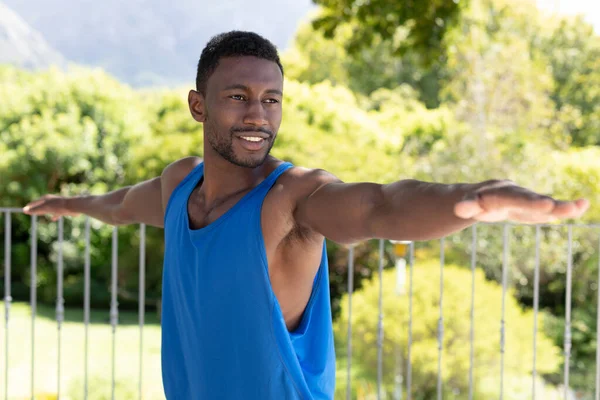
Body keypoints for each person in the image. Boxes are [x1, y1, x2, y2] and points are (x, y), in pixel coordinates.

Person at [23, 31, 589, 399]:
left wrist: (475, 199)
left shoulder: (292, 199)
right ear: (198, 104)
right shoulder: (179, 185)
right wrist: (65, 205)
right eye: (238, 96)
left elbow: (381, 204)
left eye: (271, 99)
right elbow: (120, 205)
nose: (258, 115)